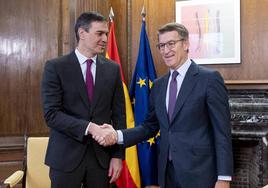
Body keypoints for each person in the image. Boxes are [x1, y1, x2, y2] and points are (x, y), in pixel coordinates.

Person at [95, 23, 233, 188]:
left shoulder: (209, 79)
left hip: (200, 174)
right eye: (161, 45)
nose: (166, 51)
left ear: (186, 44)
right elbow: (149, 127)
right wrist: (117, 135)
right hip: (167, 174)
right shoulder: (159, 85)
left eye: (171, 44)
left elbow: (222, 132)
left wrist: (224, 177)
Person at [41, 11, 126, 188]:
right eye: (99, 33)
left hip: (101, 160)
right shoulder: (55, 67)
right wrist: (90, 128)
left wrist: (118, 156)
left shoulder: (113, 69)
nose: (104, 38)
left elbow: (119, 116)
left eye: (106, 34)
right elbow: (52, 114)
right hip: (65, 159)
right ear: (82, 33)